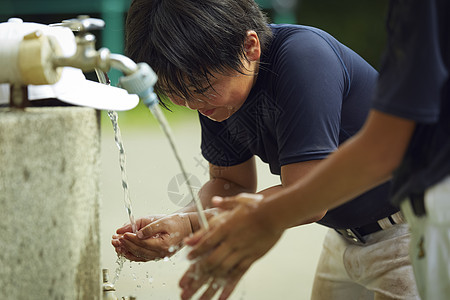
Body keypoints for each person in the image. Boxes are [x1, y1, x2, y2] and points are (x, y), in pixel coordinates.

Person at [111, 0, 420, 299]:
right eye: (176, 93)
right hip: (347, 238)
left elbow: (309, 198)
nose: (193, 105)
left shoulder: (303, 58)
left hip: (412, 230)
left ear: (250, 47)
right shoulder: (219, 93)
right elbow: (230, 185)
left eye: (199, 90)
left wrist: (192, 224)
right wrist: (176, 222)